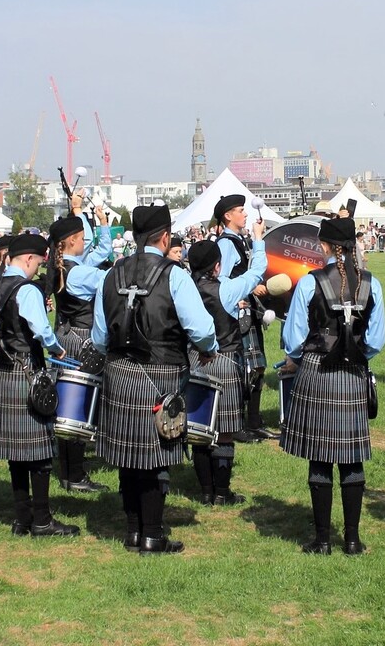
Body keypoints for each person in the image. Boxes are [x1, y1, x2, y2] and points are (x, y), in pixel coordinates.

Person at [91, 204, 217, 555]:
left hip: (119, 374)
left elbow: (100, 338)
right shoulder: (174, 275)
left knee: (128, 457)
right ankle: (152, 536)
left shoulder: (110, 275)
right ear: (164, 237)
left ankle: (133, 532)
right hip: (162, 375)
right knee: (155, 457)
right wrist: (207, 348)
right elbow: (202, 329)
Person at [281, 217, 385, 554]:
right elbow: (377, 340)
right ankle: (353, 541)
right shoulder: (372, 283)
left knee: (320, 457)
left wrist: (302, 357)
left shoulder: (310, 283)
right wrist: (355, 353)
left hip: (316, 371)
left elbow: (293, 339)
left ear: (324, 246)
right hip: (353, 373)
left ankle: (323, 540)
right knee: (352, 458)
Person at [0, 233, 78, 537]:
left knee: (16, 455)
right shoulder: (26, 289)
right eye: (37, 262)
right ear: (27, 259)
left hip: (1, 374)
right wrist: (56, 349)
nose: (38, 269)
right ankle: (42, 520)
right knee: (38, 455)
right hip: (26, 374)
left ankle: (22, 519)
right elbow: (40, 328)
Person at [185, 217, 267, 505]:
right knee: (226, 432)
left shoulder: (183, 288)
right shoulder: (226, 288)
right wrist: (258, 239)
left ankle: (205, 492)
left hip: (192, 359)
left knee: (197, 430)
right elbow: (257, 272)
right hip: (223, 359)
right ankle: (221, 492)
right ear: (217, 266)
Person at [45, 209, 113, 493]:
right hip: (82, 338)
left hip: (65, 334)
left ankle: (70, 471)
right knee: (76, 408)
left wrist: (104, 228)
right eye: (83, 238)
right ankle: (74, 475)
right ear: (72, 241)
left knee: (67, 406)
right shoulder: (79, 274)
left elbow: (97, 258)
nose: (85, 242)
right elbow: (109, 281)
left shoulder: (63, 267)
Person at [215, 194, 276, 441]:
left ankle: (252, 421)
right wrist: (246, 290)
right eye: (241, 210)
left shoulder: (237, 240)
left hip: (247, 310)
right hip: (237, 311)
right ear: (228, 216)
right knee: (245, 368)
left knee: (256, 367)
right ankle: (239, 424)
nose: (245, 213)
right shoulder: (226, 244)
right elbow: (221, 279)